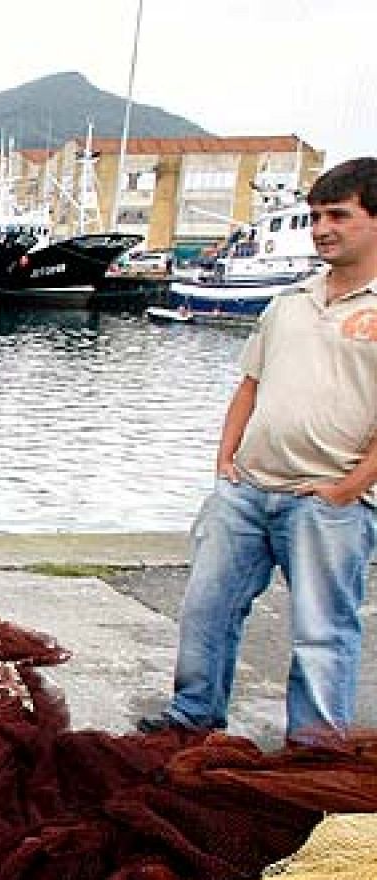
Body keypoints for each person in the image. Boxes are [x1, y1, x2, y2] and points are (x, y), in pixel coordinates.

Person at [140, 157, 377, 743]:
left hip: (327, 502)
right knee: (206, 610)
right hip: (246, 491)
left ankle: (314, 747)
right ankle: (193, 717)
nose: (321, 229)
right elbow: (250, 384)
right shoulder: (289, 301)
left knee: (322, 631)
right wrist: (226, 461)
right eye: (315, 217)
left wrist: (348, 489)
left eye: (338, 216)